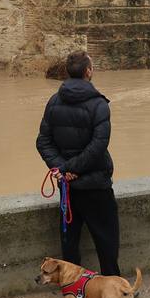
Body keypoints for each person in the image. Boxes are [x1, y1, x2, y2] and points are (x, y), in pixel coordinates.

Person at [36, 50, 121, 277]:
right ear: (88, 72)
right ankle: (114, 287)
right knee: (107, 241)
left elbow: (43, 142)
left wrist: (63, 169)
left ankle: (73, 289)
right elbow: (98, 146)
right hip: (95, 185)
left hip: (68, 188)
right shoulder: (99, 105)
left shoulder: (54, 101)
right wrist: (69, 169)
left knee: (70, 243)